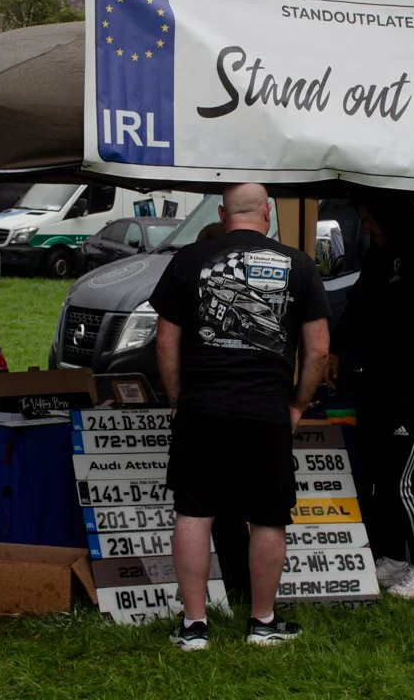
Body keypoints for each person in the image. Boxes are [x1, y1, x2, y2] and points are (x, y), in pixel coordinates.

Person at [150, 183, 331, 651]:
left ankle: (194, 627)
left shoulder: (188, 261)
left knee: (193, 511)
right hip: (267, 409)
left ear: (221, 212)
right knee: (269, 516)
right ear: (268, 213)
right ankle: (263, 623)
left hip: (202, 407)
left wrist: (177, 399)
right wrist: (297, 404)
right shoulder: (300, 265)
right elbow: (320, 348)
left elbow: (165, 342)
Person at [327, 192, 414, 599]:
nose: (367, 229)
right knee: (378, 476)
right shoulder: (377, 257)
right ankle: (391, 556)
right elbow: (354, 308)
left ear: (391, 216)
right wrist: (335, 348)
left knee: (403, 480)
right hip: (376, 379)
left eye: (370, 220)